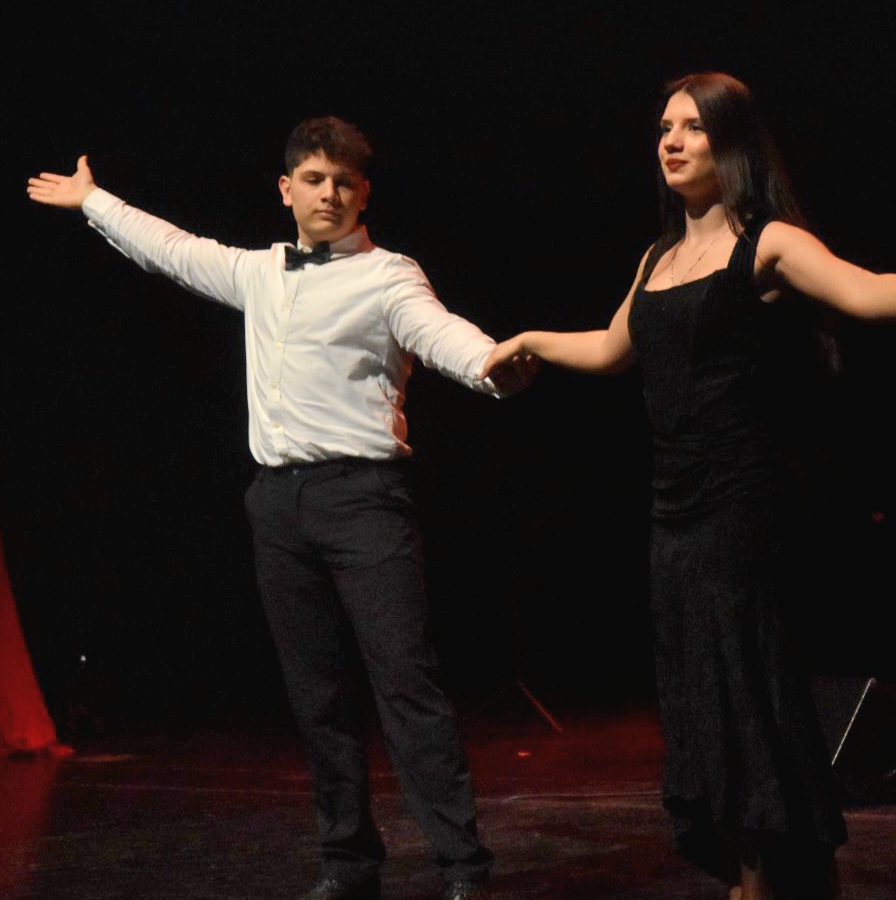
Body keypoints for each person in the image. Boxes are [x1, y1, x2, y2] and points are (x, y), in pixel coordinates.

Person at [480, 73, 896, 900]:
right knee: (703, 696)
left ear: (733, 144)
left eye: (693, 127)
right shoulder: (657, 257)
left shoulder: (768, 244)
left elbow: (864, 290)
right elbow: (610, 348)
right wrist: (530, 338)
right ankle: (768, 870)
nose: (672, 142)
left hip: (740, 507)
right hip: (672, 513)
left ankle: (763, 878)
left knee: (742, 690)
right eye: (664, 128)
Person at [27, 117, 526, 900]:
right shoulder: (259, 273)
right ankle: (347, 862)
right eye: (315, 180)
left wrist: (490, 365)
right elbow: (174, 250)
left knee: (405, 684)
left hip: (364, 500)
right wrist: (95, 201)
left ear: (364, 194)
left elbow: (441, 334)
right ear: (287, 189)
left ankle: (462, 864)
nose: (330, 194)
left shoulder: (388, 275)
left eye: (344, 182)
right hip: (279, 505)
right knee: (317, 696)